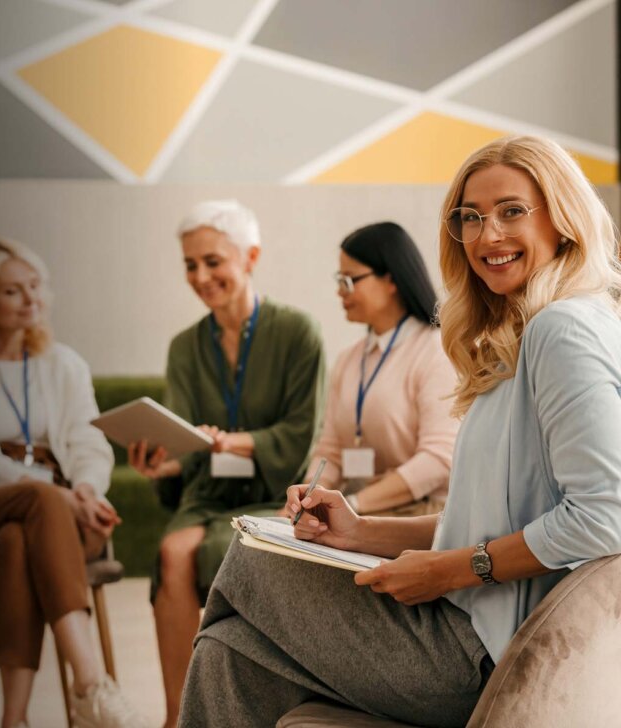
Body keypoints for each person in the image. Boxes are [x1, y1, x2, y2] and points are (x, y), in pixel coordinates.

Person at [178, 135, 621, 727]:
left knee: (251, 560)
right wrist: (360, 531)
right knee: (226, 652)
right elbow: (488, 523)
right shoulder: (525, 337)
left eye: (512, 211)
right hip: (469, 628)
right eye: (471, 218)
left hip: (483, 654)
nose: (487, 235)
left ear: (562, 218)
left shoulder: (561, 329)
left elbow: (605, 514)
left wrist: (449, 570)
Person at [0, 239, 146, 728]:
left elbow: (89, 443)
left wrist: (85, 489)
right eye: (12, 291)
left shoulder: (64, 363)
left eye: (35, 286)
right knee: (36, 501)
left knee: (16, 540)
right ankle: (90, 684)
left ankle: (14, 719)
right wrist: (57, 495)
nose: (31, 300)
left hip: (56, 516)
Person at [126, 199, 325, 728]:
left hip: (276, 493)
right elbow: (187, 450)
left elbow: (298, 436)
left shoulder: (299, 332)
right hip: (207, 495)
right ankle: (178, 716)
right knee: (173, 552)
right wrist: (161, 465)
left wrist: (230, 442)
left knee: (229, 550)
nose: (200, 276)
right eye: (190, 265)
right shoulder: (183, 348)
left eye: (213, 261)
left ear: (250, 257)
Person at [301, 222, 458, 517]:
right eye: (339, 280)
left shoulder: (436, 351)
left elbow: (438, 459)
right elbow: (330, 452)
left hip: (420, 515)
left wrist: (355, 504)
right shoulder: (349, 359)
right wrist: (308, 497)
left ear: (391, 280)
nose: (340, 292)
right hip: (358, 513)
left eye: (349, 280)